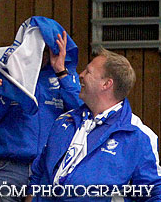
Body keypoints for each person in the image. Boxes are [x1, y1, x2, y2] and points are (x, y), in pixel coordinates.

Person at [29, 49, 161, 201]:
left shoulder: (138, 136)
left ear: (106, 84)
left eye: (88, 71)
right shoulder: (64, 121)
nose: (81, 75)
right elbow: (39, 173)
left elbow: (153, 193)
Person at [0, 24, 82, 202]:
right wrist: (11, 90)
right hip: (6, 168)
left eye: (48, 50)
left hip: (48, 171)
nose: (43, 56)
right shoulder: (2, 72)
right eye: (38, 49)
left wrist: (61, 72)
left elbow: (83, 114)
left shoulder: (64, 77)